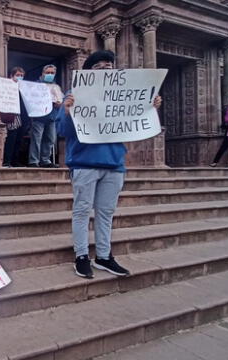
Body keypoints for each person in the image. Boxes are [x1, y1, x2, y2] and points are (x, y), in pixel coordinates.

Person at [56, 50, 163, 279]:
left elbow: (135, 121)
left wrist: (149, 107)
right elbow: (62, 131)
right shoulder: (73, 93)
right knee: (82, 211)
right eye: (101, 66)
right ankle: (81, 256)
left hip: (114, 163)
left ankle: (104, 256)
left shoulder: (123, 94)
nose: (107, 69)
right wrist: (66, 111)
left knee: (106, 213)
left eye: (110, 65)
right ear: (89, 71)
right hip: (84, 163)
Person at [28, 64, 64, 168]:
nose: (50, 74)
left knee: (50, 139)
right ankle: (33, 161)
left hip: (52, 117)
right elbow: (30, 98)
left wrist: (59, 104)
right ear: (43, 73)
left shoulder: (56, 87)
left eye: (52, 73)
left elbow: (61, 101)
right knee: (36, 139)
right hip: (39, 116)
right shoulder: (36, 85)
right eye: (48, 72)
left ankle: (45, 160)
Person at [1, 66, 30, 167]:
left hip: (22, 117)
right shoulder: (7, 87)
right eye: (18, 75)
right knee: (11, 139)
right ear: (11, 76)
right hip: (12, 116)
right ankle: (7, 161)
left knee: (19, 140)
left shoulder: (24, 88)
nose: (20, 77)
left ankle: (15, 160)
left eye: (22, 75)